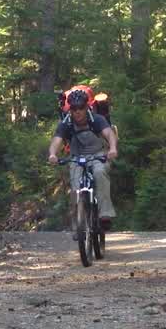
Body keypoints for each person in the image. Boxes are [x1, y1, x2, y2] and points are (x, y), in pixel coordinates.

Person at [48, 88, 118, 239]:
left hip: (97, 154)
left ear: (87, 107)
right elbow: (57, 140)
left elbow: (109, 133)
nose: (77, 111)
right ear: (70, 109)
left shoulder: (97, 119)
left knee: (100, 173)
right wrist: (53, 154)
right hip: (76, 157)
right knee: (75, 187)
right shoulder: (66, 122)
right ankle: (78, 225)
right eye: (74, 108)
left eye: (81, 108)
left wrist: (112, 149)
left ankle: (105, 214)